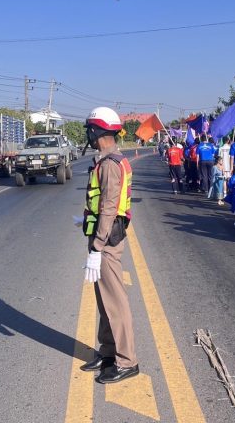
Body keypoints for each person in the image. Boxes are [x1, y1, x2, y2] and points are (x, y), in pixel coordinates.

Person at [79, 107, 139, 384]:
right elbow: (99, 205)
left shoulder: (110, 165)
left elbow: (109, 208)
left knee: (115, 301)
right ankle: (108, 353)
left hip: (107, 242)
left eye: (91, 129)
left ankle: (127, 361)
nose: (89, 135)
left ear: (98, 131)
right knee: (104, 301)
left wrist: (97, 247)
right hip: (101, 238)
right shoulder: (106, 160)